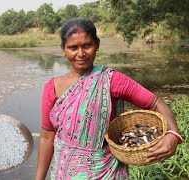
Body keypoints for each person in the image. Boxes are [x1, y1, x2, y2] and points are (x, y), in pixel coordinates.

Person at [35, 18, 183, 180]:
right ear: (63, 49)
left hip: (105, 172)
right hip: (64, 172)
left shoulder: (111, 80)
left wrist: (173, 134)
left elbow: (156, 103)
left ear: (97, 45)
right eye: (72, 47)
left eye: (87, 45)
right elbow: (47, 137)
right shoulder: (52, 88)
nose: (81, 53)